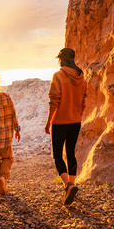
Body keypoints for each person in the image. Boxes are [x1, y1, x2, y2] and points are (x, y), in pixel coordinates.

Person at [45, 48, 87, 206]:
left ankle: (68, 186)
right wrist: (77, 116)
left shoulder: (58, 76)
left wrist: (49, 121)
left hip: (60, 122)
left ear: (61, 60)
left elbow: (54, 101)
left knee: (57, 154)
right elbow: (83, 102)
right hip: (75, 122)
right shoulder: (82, 79)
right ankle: (73, 183)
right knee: (70, 153)